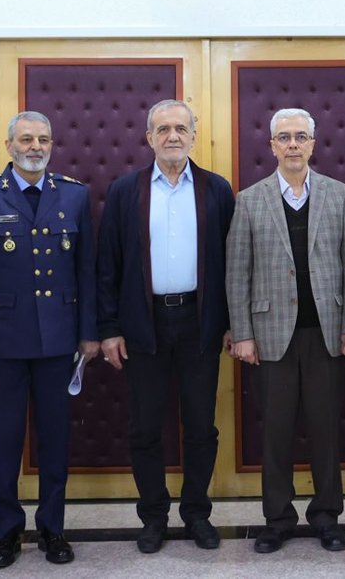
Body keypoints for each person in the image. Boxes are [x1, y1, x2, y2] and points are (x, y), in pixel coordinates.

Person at [0, 111, 98, 568]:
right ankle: (5, 532)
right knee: (3, 441)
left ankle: (52, 528)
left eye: (43, 139)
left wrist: (88, 333)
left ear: (52, 144)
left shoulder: (74, 195)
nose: (35, 147)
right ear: (9, 145)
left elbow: (87, 272)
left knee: (55, 440)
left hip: (58, 340)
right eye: (26, 139)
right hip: (3, 345)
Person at [97, 99, 235, 554]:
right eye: (163, 129)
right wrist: (110, 328)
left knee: (201, 427)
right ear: (149, 137)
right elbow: (107, 264)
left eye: (180, 128)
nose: (172, 136)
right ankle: (153, 517)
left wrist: (232, 323)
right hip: (144, 324)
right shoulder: (124, 191)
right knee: (145, 428)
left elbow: (233, 262)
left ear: (193, 135)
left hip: (200, 322)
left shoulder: (217, 190)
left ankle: (196, 514)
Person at [225, 108, 345, 553]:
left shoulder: (339, 195)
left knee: (325, 430)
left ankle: (327, 516)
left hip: (326, 333)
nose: (292, 144)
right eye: (283, 137)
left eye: (300, 136)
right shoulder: (249, 200)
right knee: (276, 432)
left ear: (313, 143)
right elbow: (237, 273)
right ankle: (278, 519)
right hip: (270, 336)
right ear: (271, 146)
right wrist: (242, 333)